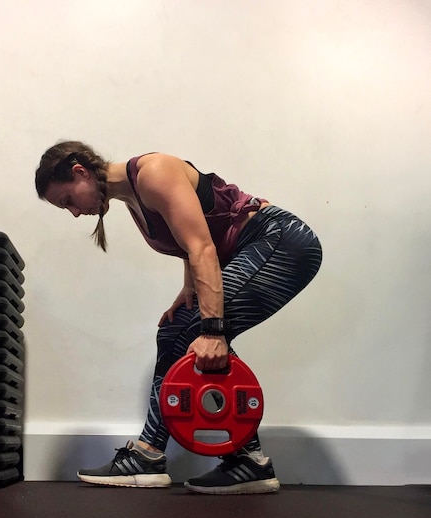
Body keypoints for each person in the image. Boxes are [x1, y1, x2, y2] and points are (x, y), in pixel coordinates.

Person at [35, 141, 322, 494]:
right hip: (254, 249)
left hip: (281, 242)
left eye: (67, 200)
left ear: (80, 172)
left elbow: (202, 247)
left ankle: (149, 455)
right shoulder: (132, 200)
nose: (75, 213)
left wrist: (213, 331)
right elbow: (192, 242)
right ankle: (247, 460)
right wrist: (189, 291)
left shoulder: (153, 173)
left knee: (195, 333)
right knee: (174, 330)